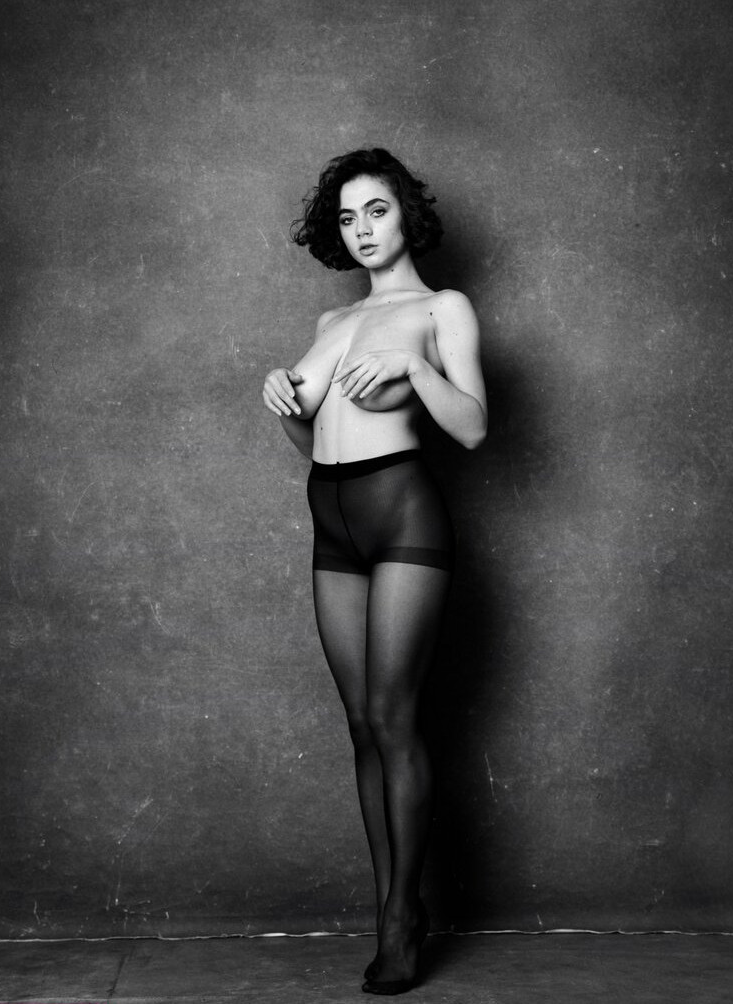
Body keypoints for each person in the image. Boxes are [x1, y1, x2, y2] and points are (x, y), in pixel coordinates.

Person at [262, 148, 487, 995]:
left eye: (377, 211)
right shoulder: (332, 322)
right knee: (361, 723)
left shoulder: (441, 308)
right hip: (333, 521)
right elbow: (315, 441)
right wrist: (284, 401)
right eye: (348, 217)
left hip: (403, 517)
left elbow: (473, 427)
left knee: (395, 717)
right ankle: (388, 903)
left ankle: (401, 921)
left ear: (406, 216)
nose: (362, 229)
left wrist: (415, 368)